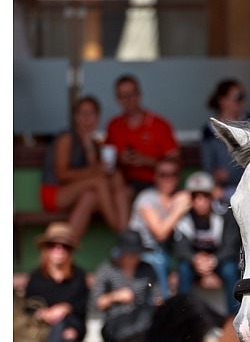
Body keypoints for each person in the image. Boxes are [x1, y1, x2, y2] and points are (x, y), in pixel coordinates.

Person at [40, 95, 130, 238]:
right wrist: (94, 170)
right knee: (99, 181)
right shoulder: (67, 137)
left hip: (79, 192)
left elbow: (94, 172)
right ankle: (123, 234)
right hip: (55, 192)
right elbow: (62, 174)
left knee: (94, 195)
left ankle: (67, 245)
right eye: (82, 113)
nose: (86, 118)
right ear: (75, 117)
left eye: (90, 114)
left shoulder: (93, 143)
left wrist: (89, 147)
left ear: (97, 117)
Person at [24, 223, 89, 342]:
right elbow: (28, 309)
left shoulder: (78, 276)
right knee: (65, 334)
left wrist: (65, 308)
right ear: (46, 249)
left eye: (65, 246)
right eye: (53, 245)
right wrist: (43, 313)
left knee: (65, 328)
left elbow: (82, 310)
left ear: (70, 251)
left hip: (74, 326)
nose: (59, 250)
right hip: (42, 332)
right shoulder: (36, 277)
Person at [91, 229, 163, 342]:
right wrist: (115, 296)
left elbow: (158, 297)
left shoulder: (147, 269)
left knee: (139, 339)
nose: (136, 257)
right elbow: (96, 302)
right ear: (122, 253)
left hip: (139, 323)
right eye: (132, 253)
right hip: (115, 323)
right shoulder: (106, 269)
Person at [173, 171, 241, 317]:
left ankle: (234, 317)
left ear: (212, 196)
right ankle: (182, 316)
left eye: (204, 196)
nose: (200, 201)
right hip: (196, 263)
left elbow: (231, 246)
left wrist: (213, 260)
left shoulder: (225, 212)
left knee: (230, 269)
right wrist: (195, 260)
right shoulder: (184, 216)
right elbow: (180, 247)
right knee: (183, 269)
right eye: (195, 197)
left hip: (220, 260)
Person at [105, 74, 180, 196]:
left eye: (131, 94)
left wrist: (148, 161)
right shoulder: (114, 125)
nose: (128, 99)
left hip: (155, 183)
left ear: (139, 94)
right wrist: (121, 160)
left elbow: (176, 162)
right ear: (117, 99)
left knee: (120, 193)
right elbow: (107, 164)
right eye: (123, 96)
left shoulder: (159, 124)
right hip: (123, 183)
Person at [127, 158, 192, 298]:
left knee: (183, 265)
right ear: (155, 177)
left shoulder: (179, 198)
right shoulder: (146, 198)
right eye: (163, 174)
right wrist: (177, 210)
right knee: (158, 261)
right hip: (138, 251)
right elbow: (160, 233)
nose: (168, 178)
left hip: (164, 253)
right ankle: (163, 308)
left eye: (173, 174)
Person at [200, 78, 250, 208]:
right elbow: (208, 167)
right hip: (222, 194)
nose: (241, 101)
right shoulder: (209, 130)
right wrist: (214, 179)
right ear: (221, 100)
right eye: (237, 97)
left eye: (242, 97)